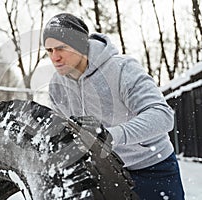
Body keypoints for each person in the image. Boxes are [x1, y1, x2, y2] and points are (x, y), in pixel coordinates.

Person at [43, 13, 185, 200]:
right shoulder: (56, 86)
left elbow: (162, 116)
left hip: (152, 168)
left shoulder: (122, 69)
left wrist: (110, 136)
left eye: (61, 48)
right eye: (49, 51)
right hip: (105, 173)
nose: (55, 57)